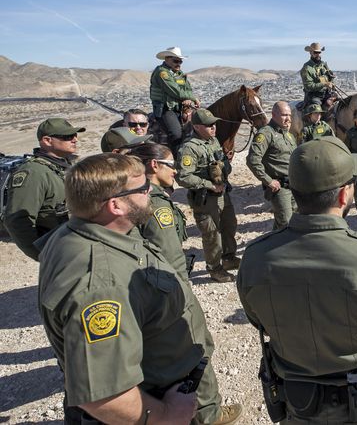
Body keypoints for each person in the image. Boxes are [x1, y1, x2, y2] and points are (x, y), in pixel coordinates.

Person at [37, 153, 241, 425]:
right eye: (143, 188)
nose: (150, 191)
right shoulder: (101, 284)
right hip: (158, 401)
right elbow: (103, 396)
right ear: (115, 205)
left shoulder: (87, 232)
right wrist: (167, 414)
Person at [237, 136, 357, 424]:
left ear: (293, 192)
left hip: (298, 406)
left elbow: (258, 320)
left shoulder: (255, 258)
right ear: (344, 195)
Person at [4, 118, 83, 260]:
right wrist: (41, 254)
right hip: (59, 252)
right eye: (67, 137)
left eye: (75, 135)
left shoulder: (64, 166)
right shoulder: (33, 173)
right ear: (47, 141)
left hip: (74, 246)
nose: (75, 139)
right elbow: (17, 220)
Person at [177, 109, 240, 283]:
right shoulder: (189, 148)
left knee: (229, 225)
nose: (213, 127)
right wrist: (209, 185)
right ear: (197, 127)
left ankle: (229, 258)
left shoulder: (213, 141)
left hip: (222, 194)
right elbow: (183, 176)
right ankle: (215, 268)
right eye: (209, 125)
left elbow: (223, 165)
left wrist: (224, 166)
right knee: (212, 233)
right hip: (205, 198)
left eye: (214, 124)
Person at [127, 142, 192, 278]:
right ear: (155, 165)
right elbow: (170, 254)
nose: (175, 170)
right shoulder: (156, 203)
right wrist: (183, 288)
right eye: (171, 164)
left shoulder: (136, 193)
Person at [247, 101, 298, 230]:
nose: (288, 118)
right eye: (284, 115)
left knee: (293, 221)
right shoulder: (265, 134)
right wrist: (268, 181)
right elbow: (253, 160)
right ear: (273, 115)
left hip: (294, 185)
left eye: (289, 115)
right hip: (279, 189)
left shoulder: (288, 135)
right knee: (285, 224)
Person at [149, 46, 198, 153]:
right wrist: (192, 98)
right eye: (176, 61)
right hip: (165, 109)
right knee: (176, 134)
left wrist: (188, 99)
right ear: (166, 59)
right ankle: (176, 160)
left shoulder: (179, 74)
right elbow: (175, 91)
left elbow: (188, 89)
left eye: (180, 62)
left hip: (179, 108)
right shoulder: (162, 73)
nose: (179, 64)